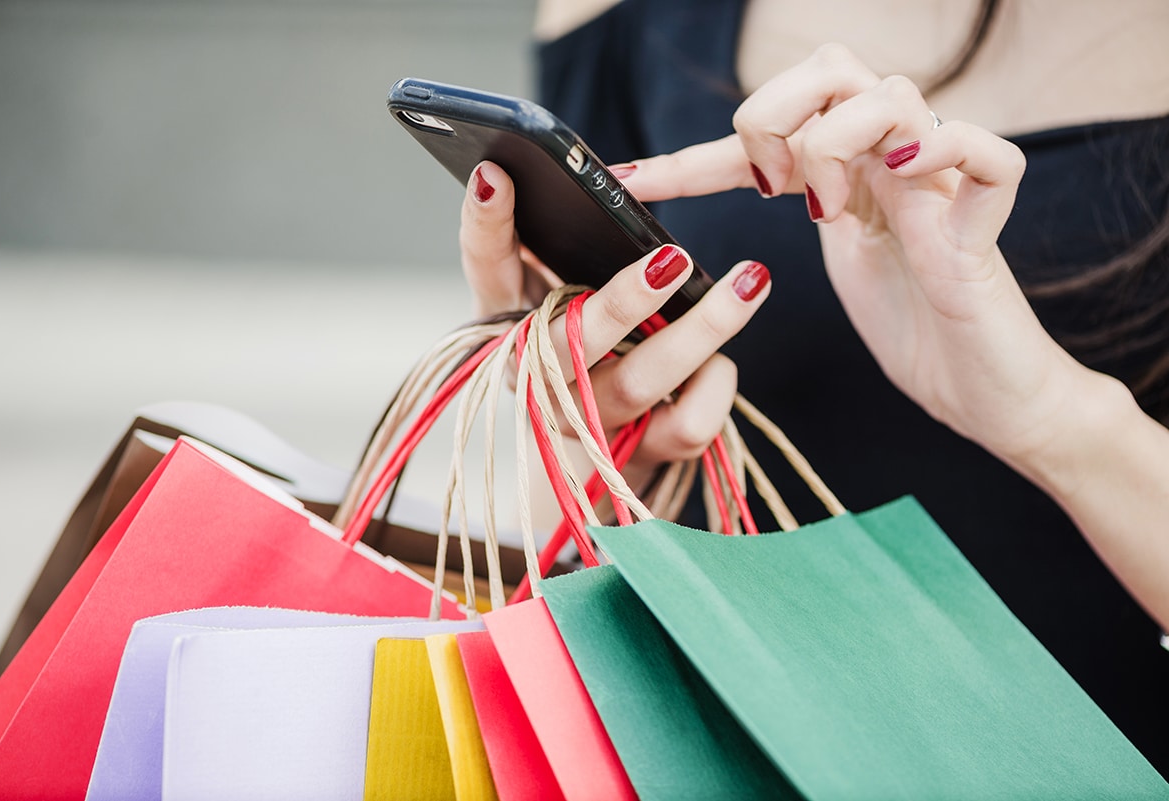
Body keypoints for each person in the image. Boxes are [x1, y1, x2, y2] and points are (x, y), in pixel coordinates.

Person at [458, 0, 1169, 775]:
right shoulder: (619, 16)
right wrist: (586, 427)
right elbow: (554, 523)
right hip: (707, 750)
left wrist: (1055, 418)